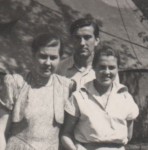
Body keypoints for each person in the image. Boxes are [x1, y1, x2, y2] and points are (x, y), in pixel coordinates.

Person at [0, 33, 75, 150]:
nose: (48, 63)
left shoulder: (66, 87)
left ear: (60, 58)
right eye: (43, 56)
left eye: (53, 57)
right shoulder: (16, 83)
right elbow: (1, 129)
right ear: (33, 56)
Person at [61, 45, 139, 150]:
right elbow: (65, 134)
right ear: (94, 67)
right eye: (102, 67)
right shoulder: (79, 96)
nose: (107, 72)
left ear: (117, 69)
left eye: (111, 67)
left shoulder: (125, 97)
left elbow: (128, 136)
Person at [57, 17, 100, 89]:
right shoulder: (60, 68)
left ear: (96, 40)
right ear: (71, 40)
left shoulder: (106, 70)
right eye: (77, 38)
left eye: (87, 37)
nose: (82, 43)